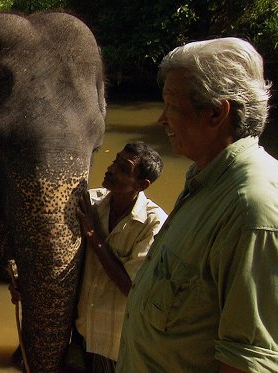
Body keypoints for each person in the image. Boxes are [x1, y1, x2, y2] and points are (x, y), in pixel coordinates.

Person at [116, 37, 278, 372]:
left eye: (172, 107)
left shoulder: (256, 209)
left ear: (215, 112)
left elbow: (246, 363)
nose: (161, 120)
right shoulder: (207, 181)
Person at [74, 141, 167, 372]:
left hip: (116, 347)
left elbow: (131, 288)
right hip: (82, 334)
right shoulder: (91, 203)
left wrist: (93, 235)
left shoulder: (153, 224)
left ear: (142, 184)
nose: (111, 168)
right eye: (115, 161)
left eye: (123, 168)